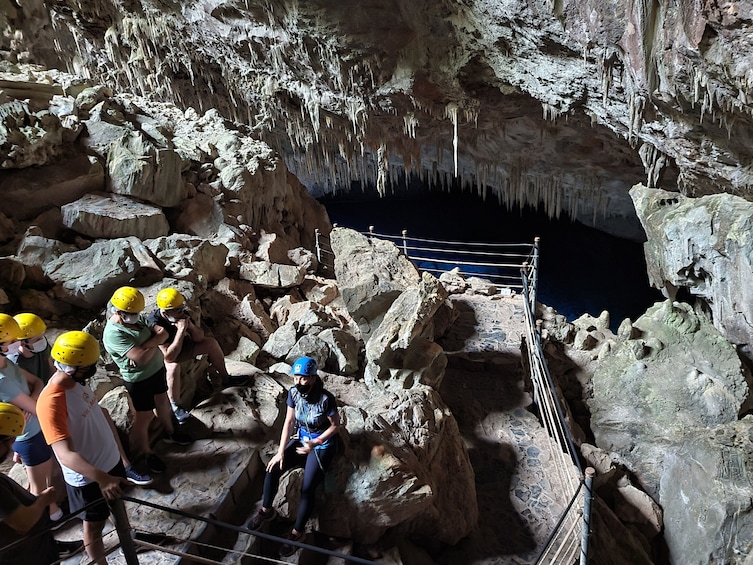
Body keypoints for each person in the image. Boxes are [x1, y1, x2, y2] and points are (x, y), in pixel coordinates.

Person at [37, 331, 151, 565]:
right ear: (72, 367)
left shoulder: (76, 382)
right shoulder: (51, 402)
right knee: (94, 524)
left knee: (116, 508)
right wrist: (101, 477)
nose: (92, 369)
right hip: (89, 479)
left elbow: (100, 414)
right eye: (88, 366)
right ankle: (99, 562)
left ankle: (128, 540)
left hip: (109, 464)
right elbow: (64, 454)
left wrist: (121, 460)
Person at [247, 356, 340, 557]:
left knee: (307, 489)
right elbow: (289, 422)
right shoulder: (293, 394)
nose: (299, 382)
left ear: (313, 378)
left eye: (304, 378)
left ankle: (297, 533)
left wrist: (315, 443)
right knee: (272, 469)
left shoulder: (325, 399)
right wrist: (281, 452)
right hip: (302, 438)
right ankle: (266, 510)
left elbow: (335, 425)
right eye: (297, 378)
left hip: (320, 444)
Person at [102, 286, 191, 474]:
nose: (136, 315)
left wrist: (145, 346)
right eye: (131, 313)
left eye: (137, 312)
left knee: (162, 400)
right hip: (138, 380)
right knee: (144, 417)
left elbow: (163, 333)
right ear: (118, 312)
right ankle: (146, 453)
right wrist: (154, 341)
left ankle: (170, 432)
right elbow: (142, 357)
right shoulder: (113, 333)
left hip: (156, 370)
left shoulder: (135, 318)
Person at [147, 287, 248, 423]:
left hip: (181, 345)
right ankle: (175, 407)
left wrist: (191, 327)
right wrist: (181, 331)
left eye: (181, 308)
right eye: (177, 310)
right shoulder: (155, 323)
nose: (181, 311)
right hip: (162, 354)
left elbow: (200, 339)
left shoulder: (181, 314)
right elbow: (169, 357)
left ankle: (226, 378)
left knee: (211, 343)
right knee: (173, 366)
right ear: (166, 312)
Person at [0, 402, 84, 564]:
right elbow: (23, 523)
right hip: (25, 558)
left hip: (33, 549)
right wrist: (44, 499)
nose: (11, 448)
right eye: (10, 442)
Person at [0, 314, 63, 522]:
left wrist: (31, 398)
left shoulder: (6, 365)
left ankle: (50, 513)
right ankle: (49, 522)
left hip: (37, 429)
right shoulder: (2, 380)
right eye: (12, 341)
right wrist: (33, 400)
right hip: (29, 436)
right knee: (40, 487)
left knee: (47, 471)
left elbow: (36, 381)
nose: (17, 343)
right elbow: (37, 407)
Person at [8, 313, 54, 385]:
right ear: (22, 343)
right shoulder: (15, 363)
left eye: (42, 335)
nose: (42, 340)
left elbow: (52, 367)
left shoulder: (41, 347)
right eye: (37, 339)